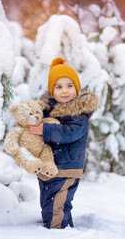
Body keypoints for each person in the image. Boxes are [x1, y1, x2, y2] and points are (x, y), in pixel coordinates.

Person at [28, 57, 99, 229]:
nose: (65, 91)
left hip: (66, 169)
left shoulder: (79, 114)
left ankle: (58, 232)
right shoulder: (48, 110)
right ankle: (60, 227)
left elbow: (68, 134)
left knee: (57, 207)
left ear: (76, 88)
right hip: (49, 167)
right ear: (52, 91)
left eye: (69, 86)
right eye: (59, 87)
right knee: (49, 205)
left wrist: (45, 130)